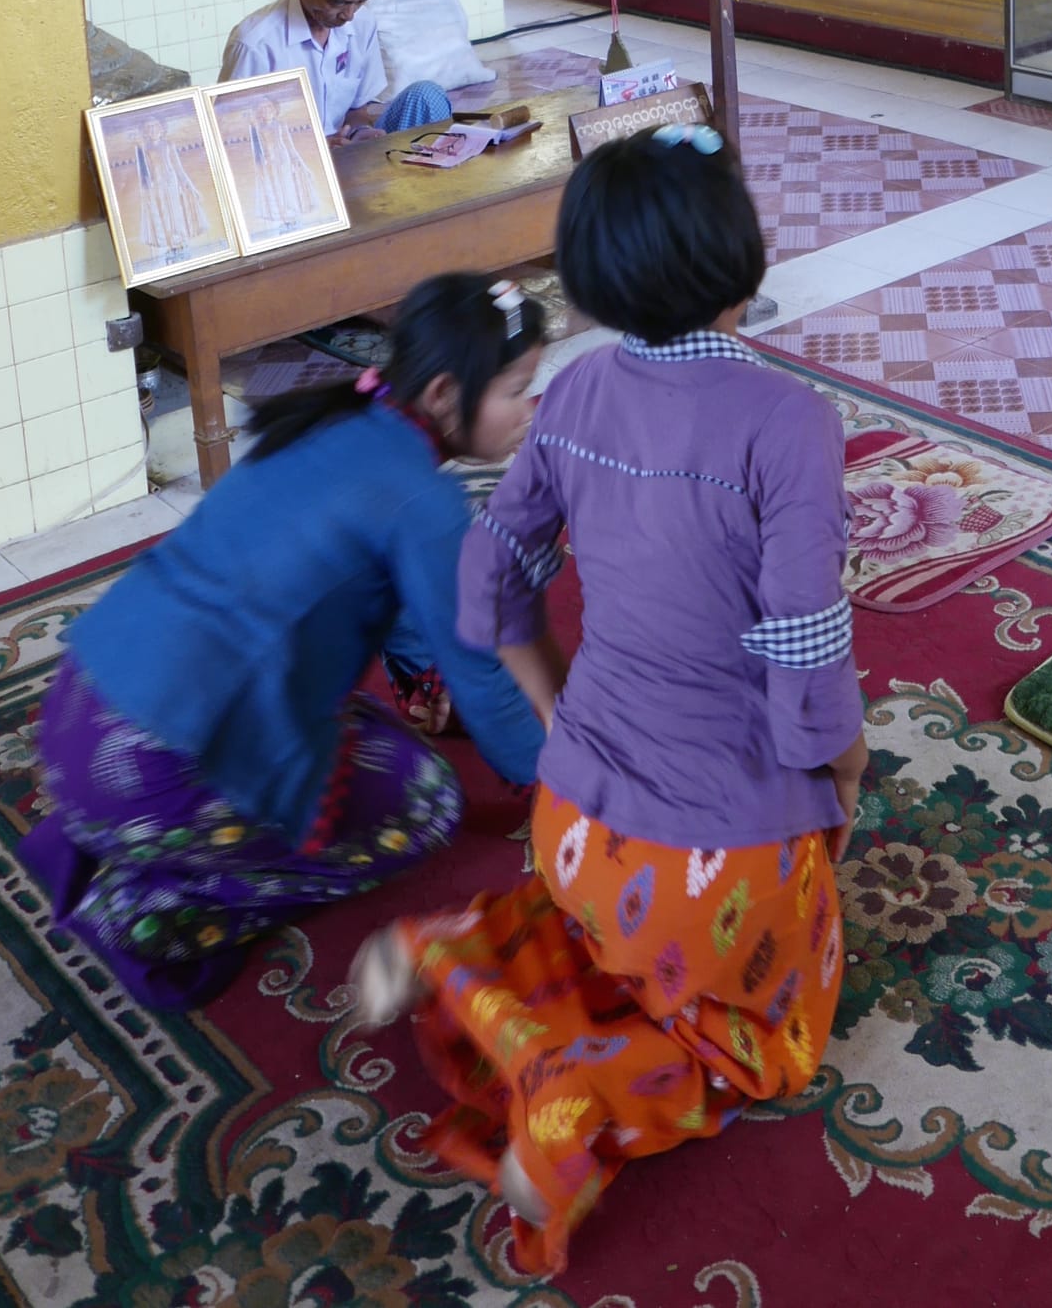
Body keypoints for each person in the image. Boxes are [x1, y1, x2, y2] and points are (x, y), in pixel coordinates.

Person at [349, 125, 864, 1275]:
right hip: (712, 863)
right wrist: (839, 776)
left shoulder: (575, 389)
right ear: (742, 252)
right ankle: (576, 1111)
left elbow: (492, 568)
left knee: (597, 929)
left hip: (572, 827)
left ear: (588, 274)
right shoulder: (789, 422)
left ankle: (452, 950)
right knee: (766, 1042)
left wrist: (556, 714)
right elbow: (805, 644)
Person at [21, 274, 550, 1010]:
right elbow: (484, 671)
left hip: (78, 718)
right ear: (439, 393)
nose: (532, 407)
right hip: (147, 769)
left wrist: (417, 682)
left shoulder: (333, 418)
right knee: (425, 804)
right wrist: (558, 781)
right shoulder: (426, 503)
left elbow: (392, 597)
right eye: (517, 387)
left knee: (351, 731)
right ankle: (147, 913)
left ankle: (95, 838)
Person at [220, 0, 453, 138]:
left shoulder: (363, 23)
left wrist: (359, 132)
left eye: (361, 0)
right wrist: (315, 150)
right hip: (290, 165)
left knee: (427, 96)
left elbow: (357, 110)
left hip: (346, 153)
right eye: (337, 2)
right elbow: (234, 140)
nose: (349, 15)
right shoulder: (255, 44)